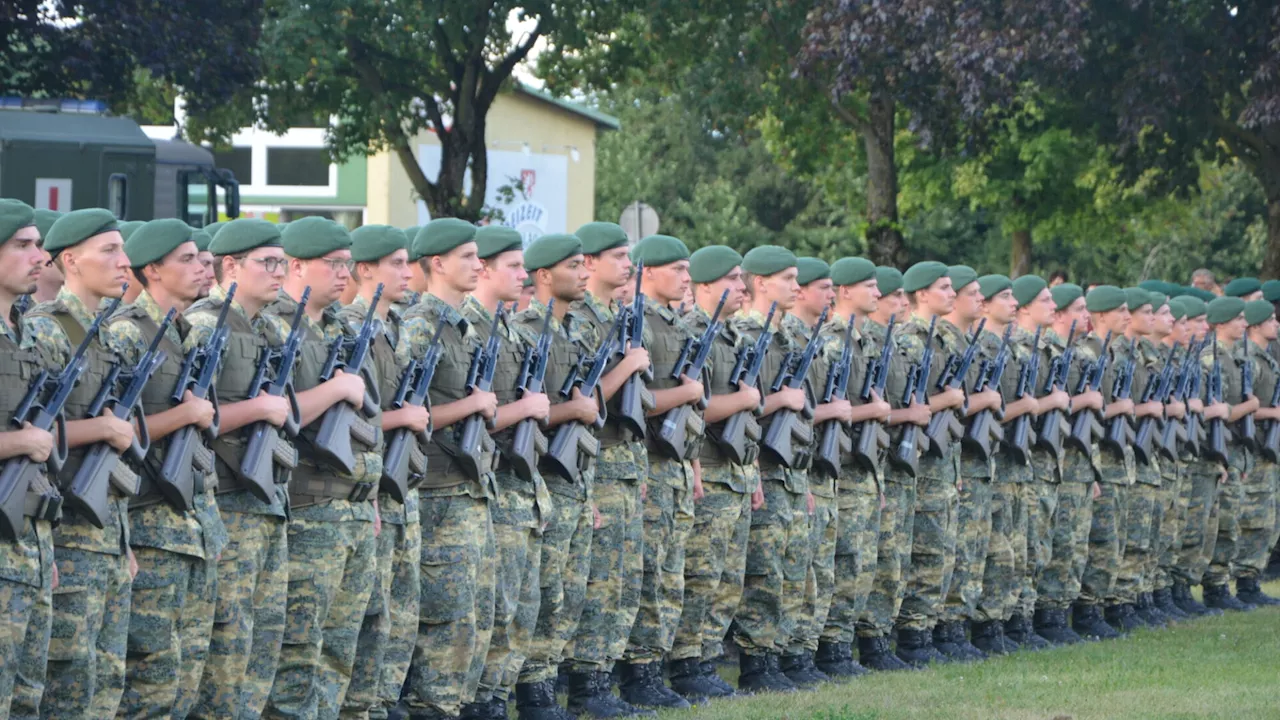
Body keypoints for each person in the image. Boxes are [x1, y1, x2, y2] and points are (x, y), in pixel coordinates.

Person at [259, 217, 378, 718]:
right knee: (297, 650)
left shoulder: (342, 327)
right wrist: (336, 389)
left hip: (349, 506)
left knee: (339, 646)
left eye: (348, 265)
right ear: (298, 265)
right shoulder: (271, 325)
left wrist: (368, 497)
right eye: (333, 264)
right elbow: (275, 411)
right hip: (307, 506)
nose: (344, 274)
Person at [23, 209, 138, 719]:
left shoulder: (109, 333)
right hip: (66, 535)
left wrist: (124, 545)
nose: (124, 262)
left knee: (104, 681)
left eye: (123, 250)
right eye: (109, 251)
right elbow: (28, 434)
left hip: (106, 535)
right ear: (69, 260)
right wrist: (103, 429)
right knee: (63, 685)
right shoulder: (46, 332)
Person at [107, 219, 224, 718]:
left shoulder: (185, 331)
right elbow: (111, 434)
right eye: (188, 259)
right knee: (148, 681)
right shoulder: (128, 333)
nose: (204, 267)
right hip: (152, 523)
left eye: (204, 258)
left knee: (185, 681)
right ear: (152, 270)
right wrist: (185, 415)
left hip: (194, 528)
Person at [187, 219, 294, 719]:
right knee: (225, 644)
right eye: (267, 263)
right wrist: (259, 410)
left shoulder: (268, 326)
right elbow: (190, 420)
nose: (279, 272)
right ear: (229, 266)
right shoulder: (206, 325)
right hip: (227, 500)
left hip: (266, 500)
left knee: (262, 639)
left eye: (283, 262)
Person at [399, 218, 499, 720]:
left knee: (473, 615)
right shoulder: (421, 325)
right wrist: (474, 405)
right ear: (437, 263)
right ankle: (432, 707)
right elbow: (409, 415)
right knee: (444, 617)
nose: (479, 265)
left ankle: (454, 704)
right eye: (468, 256)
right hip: (437, 489)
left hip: (468, 488)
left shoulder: (461, 326)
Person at [460, 226, 554, 720]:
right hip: (487, 488)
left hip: (521, 489)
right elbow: (472, 415)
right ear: (487, 270)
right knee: (489, 612)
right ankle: (481, 701)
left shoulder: (511, 329)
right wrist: (528, 410)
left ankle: (495, 698)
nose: (524, 276)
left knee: (520, 609)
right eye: (513, 267)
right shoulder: (470, 330)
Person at [561, 222, 652, 720]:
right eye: (617, 256)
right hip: (594, 465)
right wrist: (627, 366)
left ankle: (604, 677)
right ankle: (585, 685)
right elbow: (583, 403)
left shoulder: (620, 316)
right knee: (595, 584)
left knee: (620, 581)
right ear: (590, 264)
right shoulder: (581, 323)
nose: (628, 266)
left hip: (626, 466)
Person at [338, 225, 428, 720]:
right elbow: (356, 416)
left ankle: (381, 702)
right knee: (368, 611)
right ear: (365, 269)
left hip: (394, 483)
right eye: (395, 263)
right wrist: (403, 419)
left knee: (396, 610)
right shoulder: (351, 328)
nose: (406, 272)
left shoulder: (391, 326)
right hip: (364, 482)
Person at [616, 235, 704, 710]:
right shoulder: (639, 323)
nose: (686, 278)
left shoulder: (672, 323)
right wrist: (687, 395)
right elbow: (639, 402)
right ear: (649, 272)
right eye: (678, 268)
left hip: (672, 466)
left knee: (669, 575)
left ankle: (655, 668)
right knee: (645, 576)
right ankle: (636, 674)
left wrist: (692, 464)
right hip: (644, 464)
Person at [668, 246, 759, 700]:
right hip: (708, 469)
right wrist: (745, 400)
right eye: (734, 279)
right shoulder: (693, 334)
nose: (744, 288)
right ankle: (688, 663)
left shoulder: (729, 337)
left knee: (726, 579)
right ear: (706, 285)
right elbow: (693, 409)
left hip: (734, 473)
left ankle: (705, 658)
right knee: (700, 577)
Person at [728, 245, 810, 692]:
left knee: (789, 566)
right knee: (762, 570)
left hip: (789, 468)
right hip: (759, 465)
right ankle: (757, 663)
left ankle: (776, 654)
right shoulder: (744, 333)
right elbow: (739, 411)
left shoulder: (785, 335)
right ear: (760, 282)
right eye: (787, 278)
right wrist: (779, 400)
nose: (796, 287)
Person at [780, 258, 855, 685]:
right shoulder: (794, 341)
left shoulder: (817, 340)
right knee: (792, 570)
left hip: (815, 469)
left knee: (816, 570)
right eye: (822, 287)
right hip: (793, 470)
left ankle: (805, 653)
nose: (831, 295)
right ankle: (786, 656)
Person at [817, 258, 892, 678]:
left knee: (860, 564)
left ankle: (840, 646)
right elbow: (832, 408)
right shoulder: (833, 342)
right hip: (839, 467)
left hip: (862, 469)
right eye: (869, 286)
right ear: (845, 291)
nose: (877, 294)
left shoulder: (861, 341)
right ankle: (830, 650)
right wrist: (873, 411)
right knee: (842, 562)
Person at [0, 199, 59, 720]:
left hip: (30, 550)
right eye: (23, 245)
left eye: (39, 245)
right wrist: (16, 444)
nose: (39, 256)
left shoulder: (33, 332)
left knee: (28, 704)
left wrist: (47, 555)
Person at [855, 266, 929, 671]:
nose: (903, 302)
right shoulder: (853, 345)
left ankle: (880, 639)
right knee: (866, 560)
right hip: (860, 466)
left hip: (884, 467)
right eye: (892, 294)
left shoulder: (892, 346)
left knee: (889, 560)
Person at [1032, 283, 1099, 644]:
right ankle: (1047, 616)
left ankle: (1058, 613)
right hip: (1048, 462)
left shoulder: (1078, 355)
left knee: (1071, 542)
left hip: (1070, 463)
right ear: (1058, 315)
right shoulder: (1045, 353)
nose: (1085, 316)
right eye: (1077, 309)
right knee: (1046, 542)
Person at [1007, 274, 1067, 649]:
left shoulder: (1049, 350)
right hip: (1020, 461)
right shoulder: (1015, 350)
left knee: (1037, 545)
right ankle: (1015, 623)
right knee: (1019, 546)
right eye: (1046, 300)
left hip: (1043, 464)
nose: (1054, 307)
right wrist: (1048, 403)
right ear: (1025, 306)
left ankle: (1026, 620)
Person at [1074, 286, 1135, 640]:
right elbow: (1081, 409)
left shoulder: (1111, 353)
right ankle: (1087, 610)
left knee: (1111, 539)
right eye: (1120, 310)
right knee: (1097, 539)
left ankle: (1100, 606)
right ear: (1101, 316)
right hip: (1096, 455)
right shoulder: (1085, 354)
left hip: (1108, 456)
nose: (1126, 315)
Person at [1199, 296, 1260, 612]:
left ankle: (1222, 583)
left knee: (1231, 520)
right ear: (1221, 323)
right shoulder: (1213, 359)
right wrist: (1250, 406)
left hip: (1237, 450)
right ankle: (1215, 586)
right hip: (1224, 447)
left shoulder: (1234, 357)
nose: (1243, 324)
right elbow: (1220, 411)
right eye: (1237, 318)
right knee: (1222, 522)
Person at [1167, 295, 1223, 617]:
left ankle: (1178, 590)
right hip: (1170, 459)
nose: (1199, 328)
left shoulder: (1190, 361)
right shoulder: (1181, 362)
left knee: (1189, 527)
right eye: (1190, 322)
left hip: (1188, 457)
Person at [1235, 300, 1280, 606]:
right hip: (1256, 444)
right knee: (1254, 517)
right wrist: (1272, 414)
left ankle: (1252, 577)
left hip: (1268, 447)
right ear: (1255, 326)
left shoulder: (1267, 358)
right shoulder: (1249, 359)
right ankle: (1245, 581)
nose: (1276, 324)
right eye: (1271, 320)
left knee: (1267, 519)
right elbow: (1244, 407)